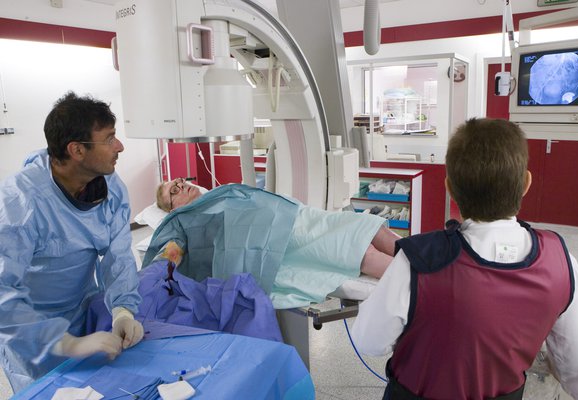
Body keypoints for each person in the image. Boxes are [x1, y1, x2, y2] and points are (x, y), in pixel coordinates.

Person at [351, 118, 578, 400]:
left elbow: (368, 341)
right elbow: (577, 366)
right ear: (526, 183)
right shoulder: (561, 262)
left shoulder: (418, 261)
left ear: (450, 188)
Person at [0, 92, 143, 392]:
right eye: (109, 139)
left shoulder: (111, 189)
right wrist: (63, 343)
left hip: (81, 311)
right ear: (77, 150)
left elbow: (118, 255)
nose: (120, 146)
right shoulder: (20, 203)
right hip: (30, 330)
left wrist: (123, 310)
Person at [147, 179, 399, 309]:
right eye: (174, 190)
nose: (182, 185)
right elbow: (172, 251)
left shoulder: (219, 193)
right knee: (358, 250)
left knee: (369, 226)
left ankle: (429, 257)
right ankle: (422, 278)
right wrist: (158, 273)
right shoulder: (181, 222)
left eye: (180, 180)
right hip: (279, 244)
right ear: (171, 209)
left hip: (296, 219)